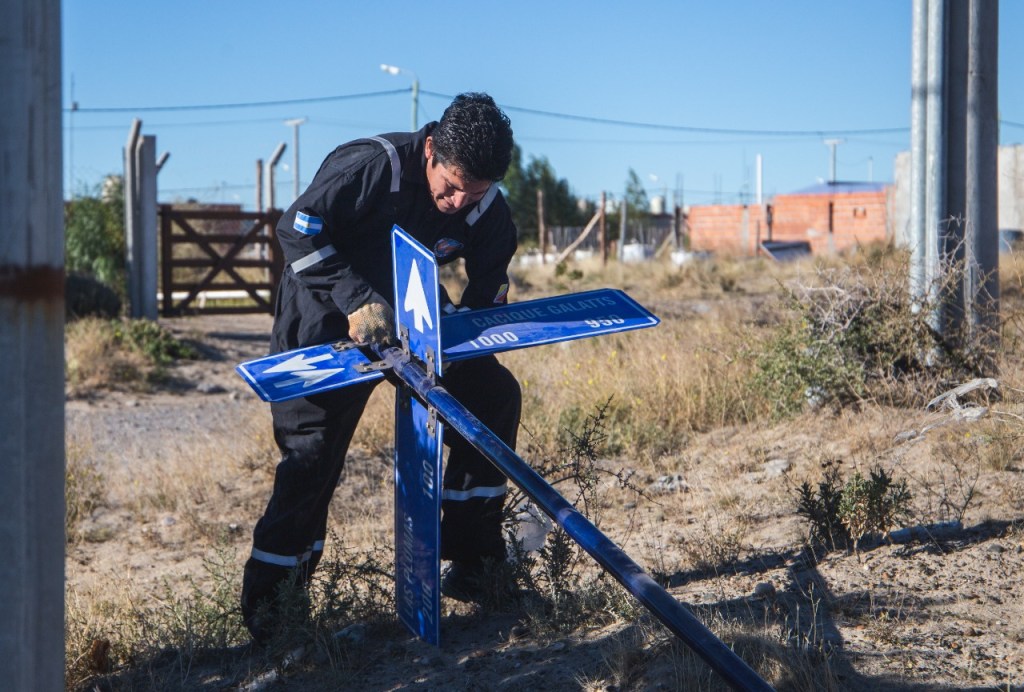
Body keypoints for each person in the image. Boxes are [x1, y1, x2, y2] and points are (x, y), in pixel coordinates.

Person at [242, 93, 522, 644]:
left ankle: (474, 563)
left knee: (493, 397)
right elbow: (296, 229)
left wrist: (471, 330)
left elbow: (489, 282)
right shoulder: (372, 166)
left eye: (474, 193)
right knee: (311, 455)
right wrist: (355, 299)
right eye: (452, 186)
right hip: (325, 314)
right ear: (431, 149)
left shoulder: (484, 204)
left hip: (414, 319)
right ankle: (275, 610)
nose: (458, 202)